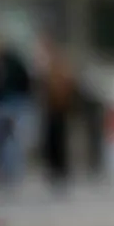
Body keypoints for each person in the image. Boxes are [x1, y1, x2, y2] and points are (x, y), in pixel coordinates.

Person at [37, 36, 76, 192]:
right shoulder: (48, 67)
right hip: (51, 109)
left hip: (60, 110)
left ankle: (60, 171)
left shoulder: (60, 67)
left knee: (59, 142)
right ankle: (53, 170)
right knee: (51, 141)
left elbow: (66, 88)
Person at [0, 35, 36, 189]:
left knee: (9, 139)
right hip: (9, 103)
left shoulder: (10, 63)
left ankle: (11, 172)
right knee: (8, 139)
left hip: (12, 103)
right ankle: (9, 172)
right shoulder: (10, 63)